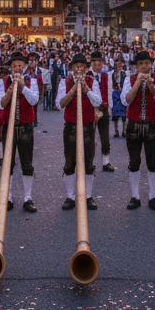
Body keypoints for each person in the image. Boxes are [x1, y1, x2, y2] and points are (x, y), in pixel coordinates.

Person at [0, 52, 41, 212]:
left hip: (26, 126)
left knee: (27, 163)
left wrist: (23, 88)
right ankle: (8, 197)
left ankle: (27, 198)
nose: (17, 68)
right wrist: (10, 91)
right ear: (10, 68)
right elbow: (0, 104)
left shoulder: (31, 80)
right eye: (14, 66)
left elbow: (34, 100)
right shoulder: (3, 82)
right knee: (8, 163)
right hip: (10, 126)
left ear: (25, 66)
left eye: (20, 65)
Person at [57, 53, 104, 211]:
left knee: (88, 162)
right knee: (70, 162)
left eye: (82, 67)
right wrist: (73, 91)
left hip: (87, 125)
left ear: (85, 69)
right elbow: (60, 104)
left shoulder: (92, 81)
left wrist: (86, 89)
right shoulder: (65, 82)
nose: (79, 70)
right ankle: (71, 196)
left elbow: (98, 102)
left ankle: (88, 196)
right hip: (70, 125)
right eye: (76, 67)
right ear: (71, 69)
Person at [122, 49, 155, 210]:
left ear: (151, 65)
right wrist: (137, 84)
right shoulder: (129, 79)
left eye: (146, 63)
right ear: (137, 65)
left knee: (152, 162)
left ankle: (152, 196)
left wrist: (151, 86)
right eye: (140, 64)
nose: (143, 67)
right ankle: (135, 196)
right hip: (133, 124)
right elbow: (126, 100)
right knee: (134, 161)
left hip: (152, 124)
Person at [88, 53, 116, 173]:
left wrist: (110, 107)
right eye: (94, 61)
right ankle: (89, 162)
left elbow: (110, 91)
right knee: (90, 137)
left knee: (105, 137)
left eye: (99, 61)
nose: (96, 64)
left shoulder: (107, 76)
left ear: (103, 63)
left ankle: (106, 162)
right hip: (90, 109)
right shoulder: (87, 76)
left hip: (103, 108)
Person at [109, 56, 128, 138]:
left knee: (124, 113)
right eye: (118, 62)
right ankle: (116, 131)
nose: (119, 64)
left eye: (121, 62)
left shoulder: (124, 74)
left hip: (122, 92)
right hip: (116, 93)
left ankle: (123, 131)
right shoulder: (113, 74)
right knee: (115, 114)